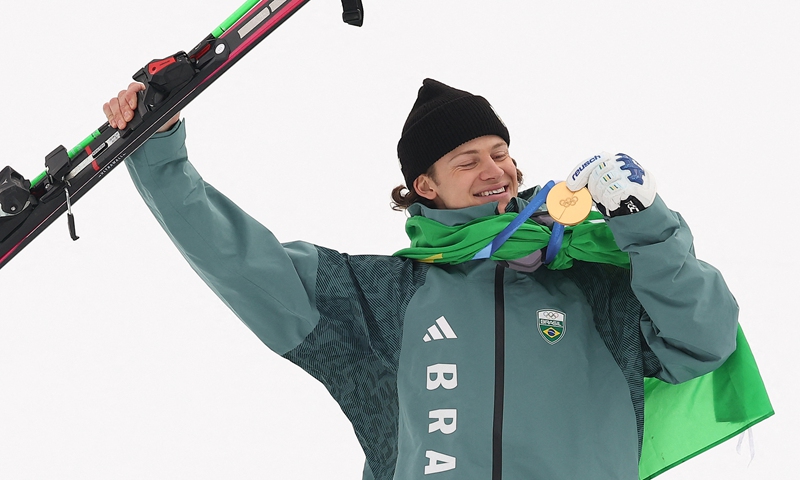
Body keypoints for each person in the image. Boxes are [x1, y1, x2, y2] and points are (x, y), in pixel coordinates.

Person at [104, 78, 738, 479]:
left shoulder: (590, 280)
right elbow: (239, 258)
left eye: (501, 154)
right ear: (424, 187)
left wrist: (643, 222)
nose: (495, 169)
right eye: (468, 160)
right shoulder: (382, 298)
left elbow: (704, 339)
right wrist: (158, 152)